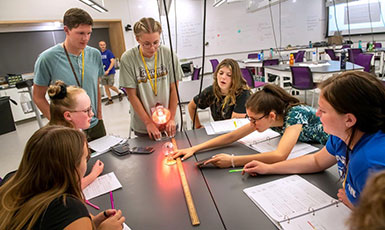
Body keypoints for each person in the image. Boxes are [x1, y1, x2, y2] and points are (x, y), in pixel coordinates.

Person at [242, 71, 385, 209]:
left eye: (323, 110)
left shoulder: (369, 162)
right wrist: (269, 168)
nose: (317, 113)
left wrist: (358, 207)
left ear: (349, 119)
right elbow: (316, 161)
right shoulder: (342, 136)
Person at [172, 83, 329, 168]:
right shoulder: (266, 117)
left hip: (333, 145)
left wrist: (233, 161)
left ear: (271, 116)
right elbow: (232, 136)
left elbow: (280, 155)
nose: (251, 123)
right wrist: (194, 148)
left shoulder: (295, 114)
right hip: (316, 146)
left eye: (254, 120)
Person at [0, 126, 125, 230]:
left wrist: (92, 224)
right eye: (85, 158)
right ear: (72, 167)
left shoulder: (10, 182)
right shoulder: (67, 208)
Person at [33, 8, 106, 142]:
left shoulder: (95, 55)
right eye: (80, 33)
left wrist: (99, 116)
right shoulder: (47, 59)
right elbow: (38, 97)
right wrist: (59, 123)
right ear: (66, 30)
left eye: (89, 33)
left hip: (94, 124)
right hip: (67, 130)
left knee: (102, 161)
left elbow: (96, 86)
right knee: (74, 163)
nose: (85, 38)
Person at [119, 17, 183, 140]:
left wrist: (172, 118)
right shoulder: (128, 59)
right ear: (137, 39)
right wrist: (148, 122)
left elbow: (174, 89)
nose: (152, 48)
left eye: (156, 42)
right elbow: (132, 95)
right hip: (144, 125)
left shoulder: (168, 54)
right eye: (146, 44)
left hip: (170, 121)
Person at [47, 80, 104, 189]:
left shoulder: (57, 132)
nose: (91, 114)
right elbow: (70, 187)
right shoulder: (67, 143)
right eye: (87, 110)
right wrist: (94, 174)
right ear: (68, 116)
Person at [189, 58, 251, 129]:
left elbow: (234, 125)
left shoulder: (242, 93)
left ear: (235, 78)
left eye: (229, 75)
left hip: (240, 133)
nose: (223, 77)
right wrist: (198, 126)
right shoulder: (211, 91)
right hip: (221, 132)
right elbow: (191, 106)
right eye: (221, 73)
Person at [98, 40, 123, 105]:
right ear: (99, 46)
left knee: (110, 85)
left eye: (104, 45)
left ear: (105, 45)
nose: (103, 46)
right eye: (101, 45)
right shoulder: (99, 54)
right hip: (103, 73)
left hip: (110, 72)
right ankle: (110, 99)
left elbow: (112, 61)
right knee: (106, 87)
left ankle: (119, 93)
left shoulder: (108, 52)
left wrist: (108, 70)